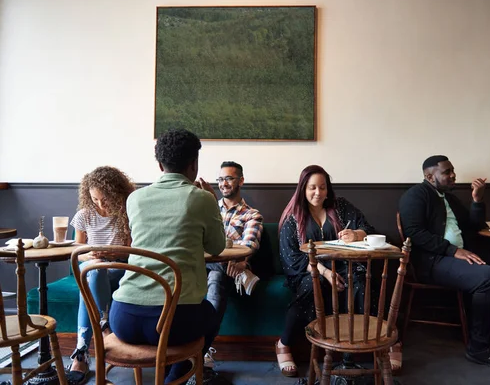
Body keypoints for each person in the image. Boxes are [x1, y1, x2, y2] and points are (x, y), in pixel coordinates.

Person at [110, 129, 225, 384]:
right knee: (210, 313)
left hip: (124, 318)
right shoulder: (202, 198)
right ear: (194, 164)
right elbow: (217, 248)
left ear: (160, 164)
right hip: (175, 322)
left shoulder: (135, 198)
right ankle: (174, 379)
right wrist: (213, 202)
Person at [398, 155, 490, 369]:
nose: (453, 175)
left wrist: (477, 200)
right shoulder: (415, 195)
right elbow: (414, 233)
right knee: (488, 278)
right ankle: (479, 348)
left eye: (452, 170)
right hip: (431, 262)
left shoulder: (449, 198)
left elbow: (474, 225)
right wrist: (452, 250)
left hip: (455, 255)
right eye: (446, 172)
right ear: (429, 175)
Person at [276, 165, 376, 377]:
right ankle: (284, 343)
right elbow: (291, 257)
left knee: (359, 283)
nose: (318, 193)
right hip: (307, 270)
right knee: (313, 286)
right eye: (312, 187)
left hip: (343, 265)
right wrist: (323, 271)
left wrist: (356, 234)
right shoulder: (292, 218)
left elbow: (368, 228)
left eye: (322, 187)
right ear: (303, 188)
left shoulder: (340, 207)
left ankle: (350, 354)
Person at [66, 166, 136, 385]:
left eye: (105, 199)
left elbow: (132, 251)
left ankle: (81, 354)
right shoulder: (84, 215)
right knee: (94, 273)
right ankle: (103, 322)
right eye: (95, 199)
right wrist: (90, 256)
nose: (100, 204)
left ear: (117, 195)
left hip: (120, 268)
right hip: (93, 268)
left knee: (92, 278)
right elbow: (76, 250)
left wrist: (112, 253)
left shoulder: (127, 213)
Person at [200, 161, 263, 377]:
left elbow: (250, 244)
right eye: (220, 179)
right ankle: (243, 276)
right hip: (202, 265)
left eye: (228, 178)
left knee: (217, 279)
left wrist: (242, 260)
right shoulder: (206, 208)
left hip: (223, 269)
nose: (223, 183)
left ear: (241, 181)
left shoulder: (251, 214)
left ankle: (202, 350)